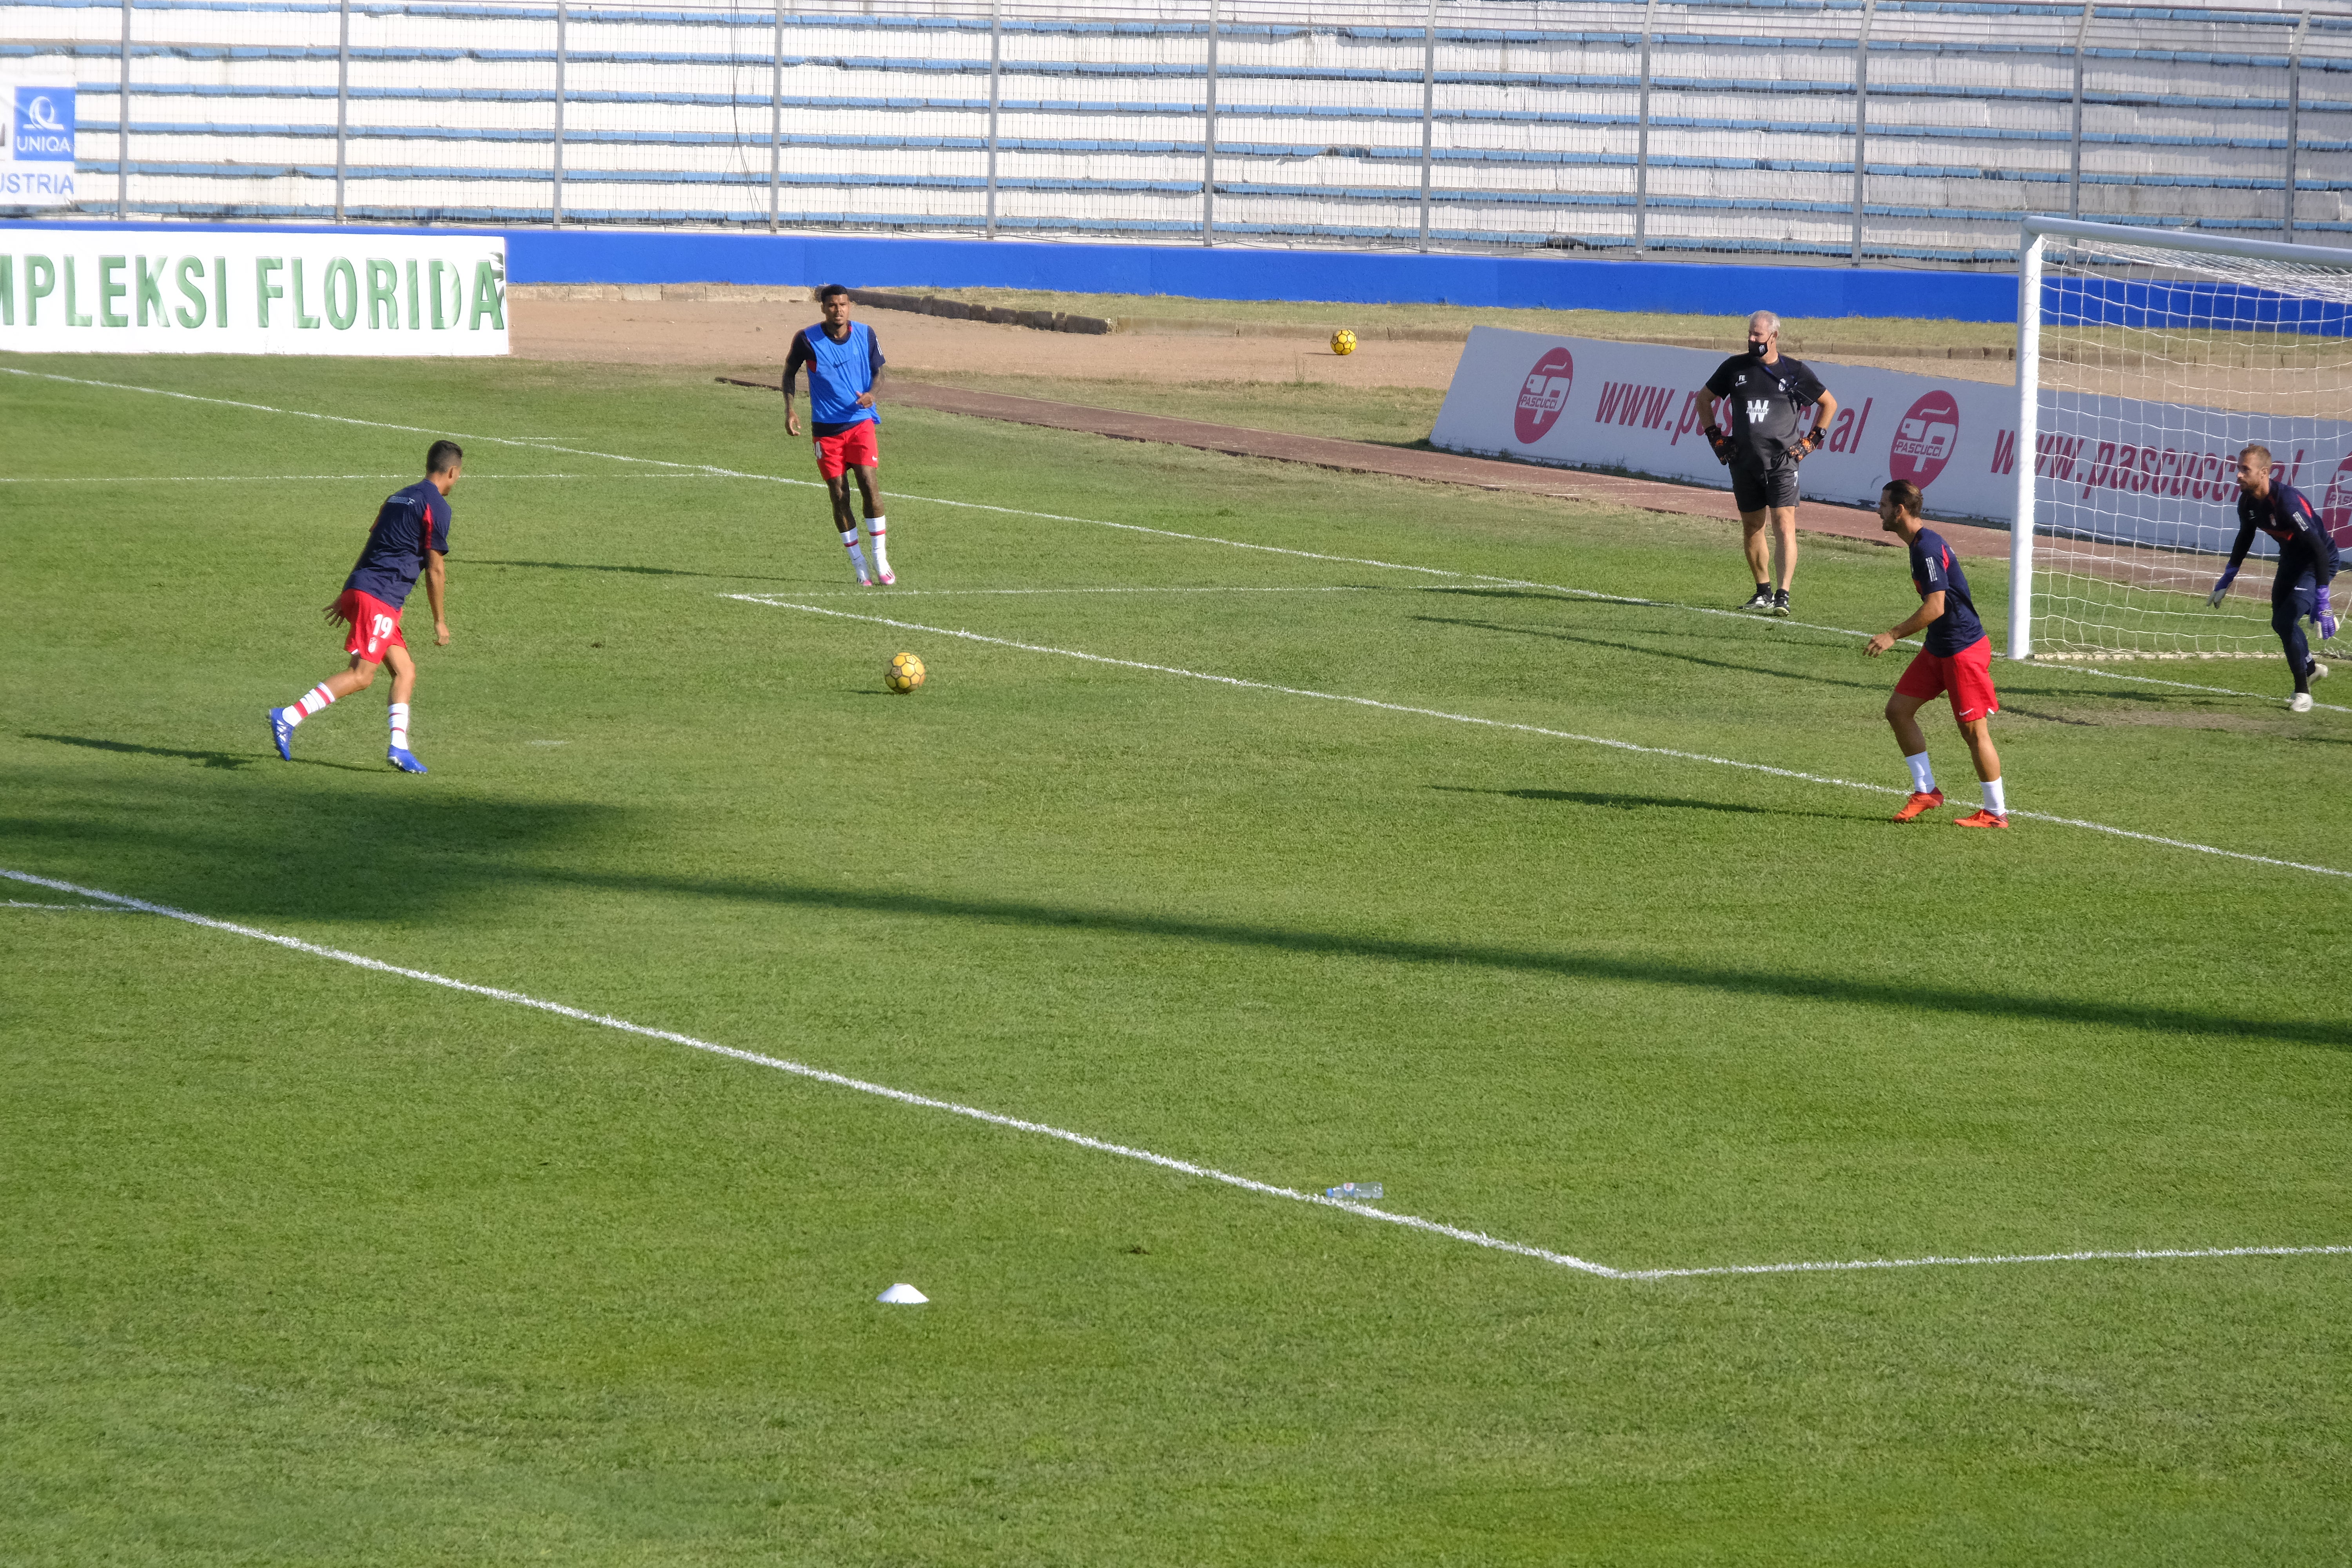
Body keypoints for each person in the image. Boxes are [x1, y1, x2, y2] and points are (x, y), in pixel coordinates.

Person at [268, 441, 459, 773]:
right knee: (361, 675)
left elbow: (373, 544)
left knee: (405, 671)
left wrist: (348, 591)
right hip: (381, 597)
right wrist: (440, 620)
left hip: (366, 589)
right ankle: (288, 716)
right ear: (453, 472)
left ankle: (399, 748)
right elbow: (436, 568)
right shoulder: (437, 506)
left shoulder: (397, 496)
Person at [1866, 480, 2009, 829]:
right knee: (1898, 711)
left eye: (1884, 504)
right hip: (1939, 646)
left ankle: (1995, 813)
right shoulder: (1919, 544)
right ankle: (1926, 791)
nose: (1879, 510)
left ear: (1900, 511)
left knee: (1974, 732)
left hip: (1963, 650)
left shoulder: (1926, 548)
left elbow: (1936, 607)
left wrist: (1893, 635)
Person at [1698, 311, 1837, 618]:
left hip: (1782, 463)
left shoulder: (1794, 371)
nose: (1751, 339)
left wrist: (1812, 441)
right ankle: (1763, 592)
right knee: (1752, 527)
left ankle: (1783, 595)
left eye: (1758, 335)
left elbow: (1829, 404)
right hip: (1743, 461)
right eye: (1750, 334)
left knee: (1784, 525)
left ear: (1774, 337)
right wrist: (1716, 439)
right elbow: (1703, 400)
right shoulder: (1735, 368)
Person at [2210, 443, 2339, 713]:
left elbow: (2318, 548)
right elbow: (2245, 536)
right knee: (2280, 624)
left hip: (2317, 563)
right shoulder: (2247, 502)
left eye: (2245, 470)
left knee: (2285, 620)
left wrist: (2323, 599)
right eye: (2239, 469)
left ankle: (2303, 693)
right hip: (2291, 562)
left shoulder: (2288, 503)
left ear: (2265, 472)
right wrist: (2227, 578)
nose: (2238, 476)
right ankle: (2312, 669)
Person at [783, 283, 894, 586]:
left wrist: (872, 394)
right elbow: (789, 372)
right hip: (826, 431)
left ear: (850, 306)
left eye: (843, 305)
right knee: (839, 494)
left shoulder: (866, 334)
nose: (839, 310)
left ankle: (881, 559)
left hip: (860, 423)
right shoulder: (807, 339)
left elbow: (880, 372)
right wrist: (790, 410)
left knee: (870, 485)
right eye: (832, 306)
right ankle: (859, 565)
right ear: (823, 308)